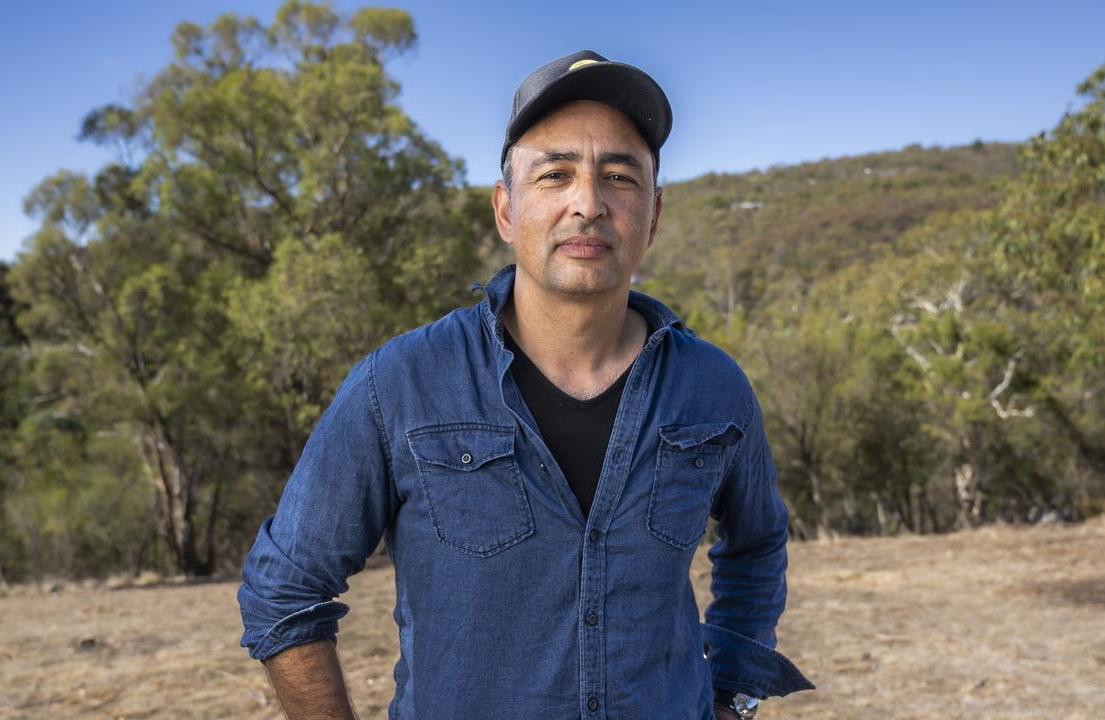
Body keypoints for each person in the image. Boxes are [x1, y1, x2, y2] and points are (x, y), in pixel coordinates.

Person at [237, 49, 812, 720]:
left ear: (652, 215)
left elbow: (757, 545)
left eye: (619, 175)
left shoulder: (712, 388)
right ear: (507, 210)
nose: (588, 203)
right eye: (556, 173)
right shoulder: (399, 385)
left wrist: (730, 697)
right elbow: (285, 588)